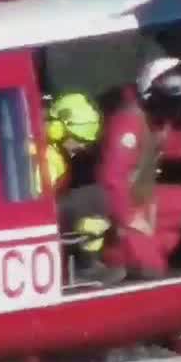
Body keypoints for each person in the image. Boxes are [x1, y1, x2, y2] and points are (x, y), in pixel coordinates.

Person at [95, 57, 181, 278]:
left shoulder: (156, 119)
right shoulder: (128, 122)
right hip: (125, 203)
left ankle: (146, 249)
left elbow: (162, 146)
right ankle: (117, 258)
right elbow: (112, 178)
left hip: (142, 197)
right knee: (151, 267)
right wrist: (128, 217)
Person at [43, 92, 115, 271]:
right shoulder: (49, 158)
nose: (83, 146)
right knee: (95, 197)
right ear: (57, 129)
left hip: (48, 211)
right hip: (39, 218)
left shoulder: (50, 149)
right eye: (80, 140)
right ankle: (87, 266)